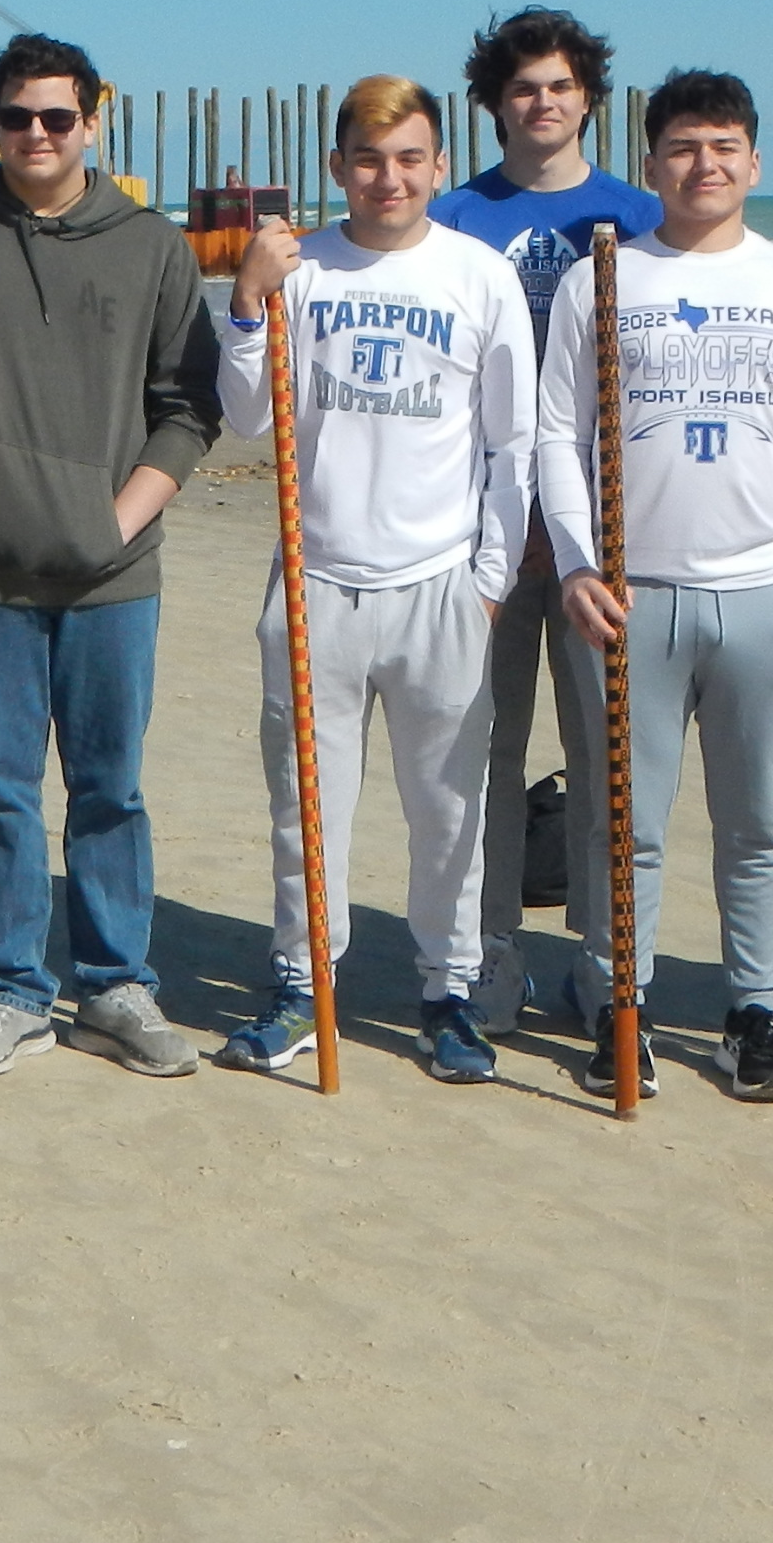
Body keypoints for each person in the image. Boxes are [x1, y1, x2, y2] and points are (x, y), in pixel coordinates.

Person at [0, 32, 223, 1083]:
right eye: (16, 117)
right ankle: (11, 988)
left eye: (57, 117)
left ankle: (114, 983)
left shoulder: (150, 244)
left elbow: (187, 409)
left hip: (111, 574)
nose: (37, 135)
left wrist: (118, 520)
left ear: (91, 122)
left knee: (109, 787)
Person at [213, 77, 534, 1083]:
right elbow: (244, 418)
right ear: (336, 166)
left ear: (438, 166)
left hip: (440, 585)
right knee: (306, 804)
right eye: (366, 158)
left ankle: (449, 992)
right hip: (315, 582)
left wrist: (488, 580)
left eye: (408, 159)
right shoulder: (302, 273)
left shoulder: (478, 278)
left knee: (449, 811)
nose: (387, 178)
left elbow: (512, 444)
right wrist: (246, 300)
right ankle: (304, 984)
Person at [534, 69, 773, 1101]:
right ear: (652, 162)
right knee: (629, 825)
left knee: (755, 824)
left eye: (722, 147)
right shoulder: (602, 279)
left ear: (753, 162)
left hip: (764, 596)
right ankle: (625, 1009)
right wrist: (577, 561)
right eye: (680, 147)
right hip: (632, 598)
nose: (702, 165)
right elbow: (556, 434)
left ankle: (753, 1016)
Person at [429, 7, 661, 1031]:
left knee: (608, 752)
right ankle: (490, 954)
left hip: (602, 530)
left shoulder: (640, 217)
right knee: (484, 749)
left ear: (588, 100)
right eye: (524, 89)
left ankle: (610, 965)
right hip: (478, 522)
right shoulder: (453, 217)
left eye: (560, 87)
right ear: (494, 105)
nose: (543, 104)